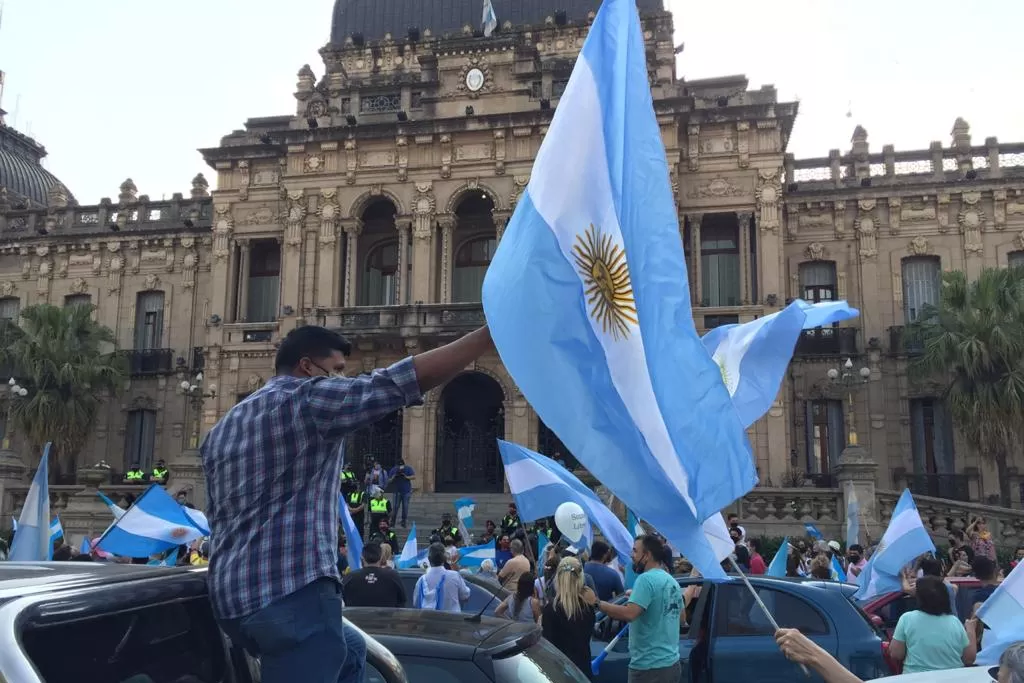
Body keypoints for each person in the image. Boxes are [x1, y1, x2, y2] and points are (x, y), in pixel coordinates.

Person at [202, 324, 493, 683]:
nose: (342, 379)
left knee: (353, 647)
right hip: (291, 595)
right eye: (338, 370)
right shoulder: (307, 400)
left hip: (232, 600)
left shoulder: (223, 426)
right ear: (307, 368)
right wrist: (486, 336)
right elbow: (392, 384)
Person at [586, 535, 683, 682]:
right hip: (672, 664)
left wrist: (597, 603)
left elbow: (629, 614)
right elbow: (681, 617)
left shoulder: (645, 580)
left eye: (635, 551)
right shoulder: (671, 581)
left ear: (647, 555)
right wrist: (640, 598)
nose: (632, 555)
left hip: (649, 668)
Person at [889, 576, 977, 673]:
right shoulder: (954, 621)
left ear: (919, 598)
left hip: (915, 678)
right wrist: (971, 630)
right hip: (951, 677)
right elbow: (969, 659)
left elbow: (896, 654)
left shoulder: (907, 619)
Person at [542, 557, 598, 680]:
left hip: (559, 673)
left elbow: (548, 648)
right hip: (582, 672)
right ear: (580, 579)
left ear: (558, 578)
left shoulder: (550, 610)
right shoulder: (587, 609)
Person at [341, 543, 406, 608]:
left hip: (355, 617)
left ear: (362, 557)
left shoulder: (350, 577)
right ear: (381, 557)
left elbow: (340, 598)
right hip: (386, 617)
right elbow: (402, 600)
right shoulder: (393, 576)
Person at [413, 542, 471, 612]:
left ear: (429, 559)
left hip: (428, 621)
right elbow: (465, 596)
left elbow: (416, 603)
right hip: (453, 621)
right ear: (444, 558)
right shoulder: (454, 576)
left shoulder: (421, 581)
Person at [386, 459, 415, 528]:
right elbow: (389, 480)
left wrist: (406, 477)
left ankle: (403, 521)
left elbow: (413, 476)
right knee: (395, 507)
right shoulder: (394, 470)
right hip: (397, 491)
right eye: (399, 466)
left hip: (406, 491)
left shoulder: (408, 468)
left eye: (401, 465)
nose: (400, 468)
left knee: (405, 507)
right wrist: (394, 477)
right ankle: (393, 522)